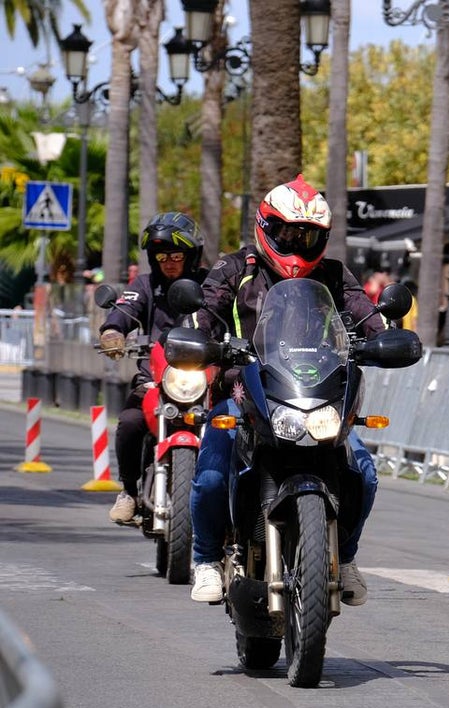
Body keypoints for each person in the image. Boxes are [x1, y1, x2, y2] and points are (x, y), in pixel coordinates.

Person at [187, 175, 386, 605]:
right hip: (243, 390)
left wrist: (383, 336)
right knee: (211, 475)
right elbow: (205, 312)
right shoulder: (235, 268)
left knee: (364, 473)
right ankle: (204, 560)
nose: (297, 243)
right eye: (288, 232)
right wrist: (202, 340)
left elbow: (366, 314)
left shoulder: (334, 275)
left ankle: (345, 557)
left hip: (315, 394)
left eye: (309, 236)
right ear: (266, 226)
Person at [98, 212, 208, 524]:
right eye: (162, 256)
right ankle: (129, 491)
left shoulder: (208, 285)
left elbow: (228, 313)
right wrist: (112, 332)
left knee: (234, 425)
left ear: (190, 256)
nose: (169, 262)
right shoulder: (144, 285)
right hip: (155, 380)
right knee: (131, 422)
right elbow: (125, 308)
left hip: (203, 380)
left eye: (176, 255)